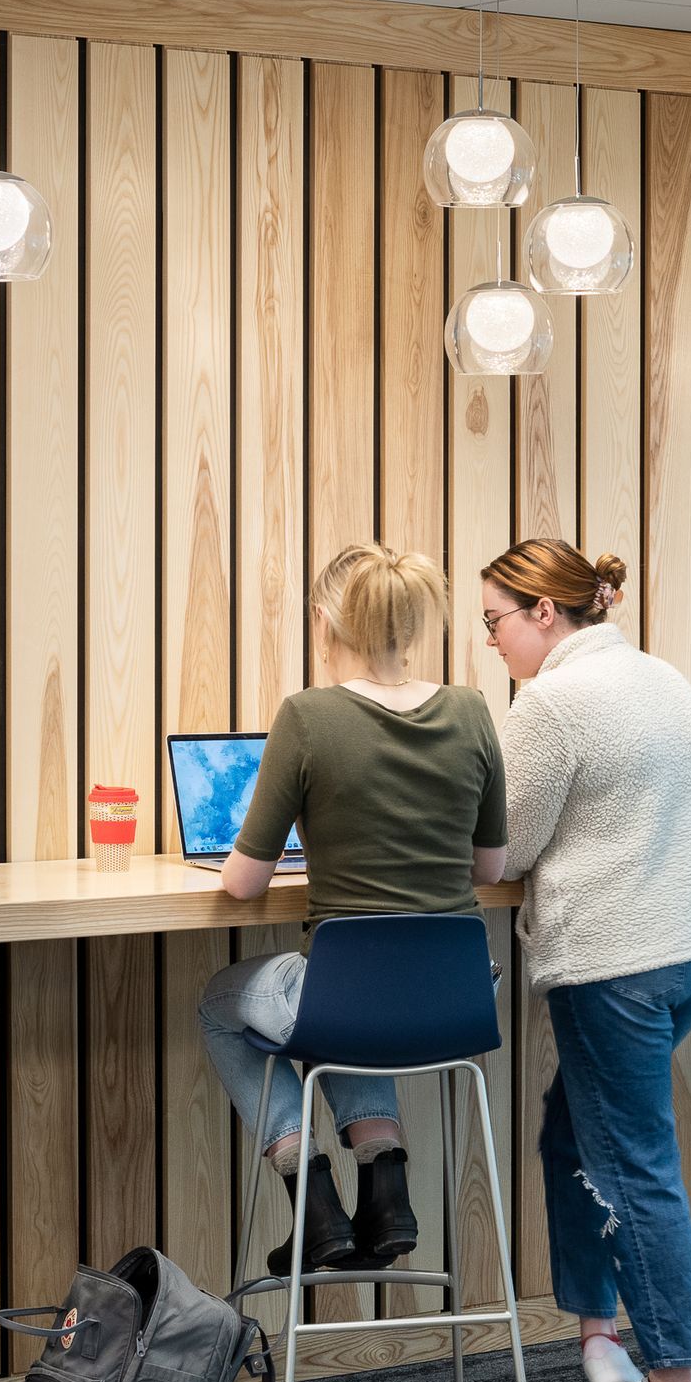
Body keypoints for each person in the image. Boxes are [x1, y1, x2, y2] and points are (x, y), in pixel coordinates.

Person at [481, 541, 691, 1382]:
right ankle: (601, 1338)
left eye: (494, 623)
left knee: (632, 1163)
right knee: (574, 1134)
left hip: (616, 962)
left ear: (544, 614)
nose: (493, 643)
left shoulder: (551, 701)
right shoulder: (660, 676)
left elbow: (505, 852)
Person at [200, 544, 507, 1278]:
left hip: (348, 999)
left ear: (325, 623)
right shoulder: (470, 709)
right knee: (354, 998)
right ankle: (386, 1189)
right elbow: (489, 867)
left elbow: (244, 883)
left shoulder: (308, 717)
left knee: (226, 1005)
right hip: (458, 998)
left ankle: (312, 1198)